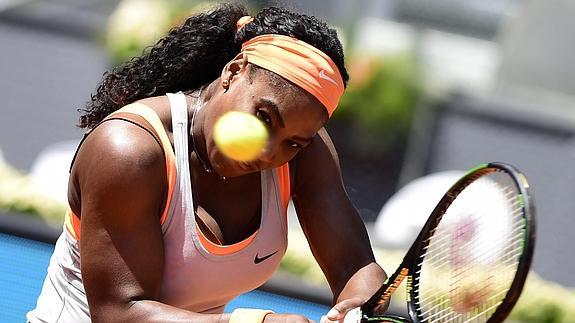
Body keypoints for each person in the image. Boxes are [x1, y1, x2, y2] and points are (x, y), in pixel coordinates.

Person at [27, 3, 388, 323]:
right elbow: (119, 312)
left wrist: (356, 306)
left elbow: (353, 265)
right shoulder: (130, 150)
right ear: (233, 71)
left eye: (293, 142)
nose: (268, 151)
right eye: (263, 117)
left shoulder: (303, 152)